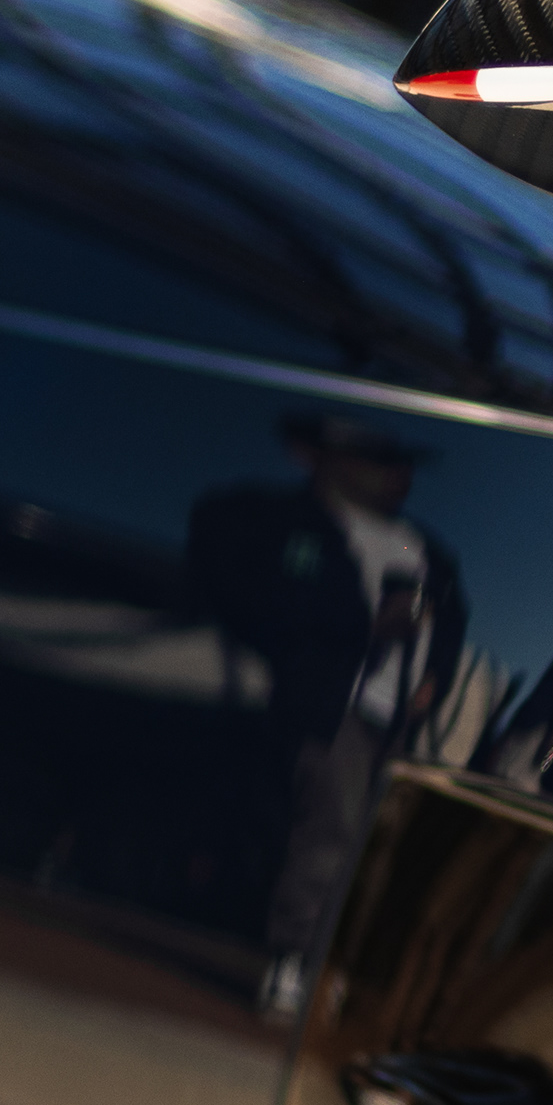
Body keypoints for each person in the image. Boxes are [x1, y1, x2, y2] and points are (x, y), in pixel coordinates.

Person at [188, 412, 470, 1009]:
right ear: (318, 457)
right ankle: (293, 961)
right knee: (330, 829)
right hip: (333, 706)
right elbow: (256, 602)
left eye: (401, 462)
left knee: (380, 846)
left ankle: (338, 966)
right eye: (376, 457)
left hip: (404, 719)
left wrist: (435, 680)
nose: (396, 474)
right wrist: (366, 629)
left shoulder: (427, 551)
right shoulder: (277, 522)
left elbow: (452, 621)